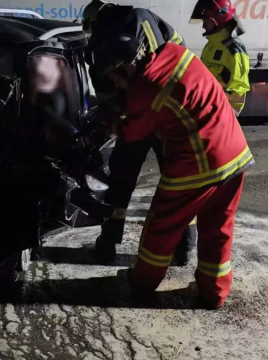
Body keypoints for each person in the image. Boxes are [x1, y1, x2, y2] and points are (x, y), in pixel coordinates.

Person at [89, 34, 254, 309]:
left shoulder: (146, 86)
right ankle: (213, 295)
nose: (114, 85)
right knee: (218, 228)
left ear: (126, 67)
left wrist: (109, 121)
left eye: (113, 78)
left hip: (197, 165)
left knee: (161, 227)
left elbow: (132, 132)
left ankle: (142, 282)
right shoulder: (177, 53)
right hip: (235, 154)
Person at [81, 0, 197, 264]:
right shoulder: (139, 21)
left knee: (122, 181)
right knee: (178, 183)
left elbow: (153, 75)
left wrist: (118, 120)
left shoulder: (125, 29)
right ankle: (184, 248)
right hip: (163, 117)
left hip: (146, 118)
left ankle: (108, 243)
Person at [189, 0, 250, 116]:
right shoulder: (211, 45)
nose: (203, 26)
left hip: (217, 115)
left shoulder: (234, 50)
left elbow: (238, 91)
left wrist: (225, 118)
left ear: (217, 19)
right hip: (205, 111)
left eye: (205, 21)